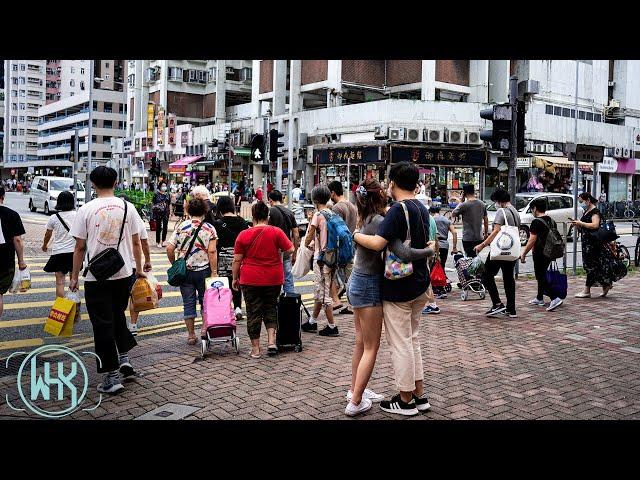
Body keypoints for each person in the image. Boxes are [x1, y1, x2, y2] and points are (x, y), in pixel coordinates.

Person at [346, 179, 433, 416]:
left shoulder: (365, 219)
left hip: (357, 281)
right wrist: (429, 250)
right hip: (369, 285)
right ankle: (355, 401)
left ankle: (356, 390)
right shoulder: (381, 221)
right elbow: (402, 251)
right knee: (371, 347)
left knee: (361, 342)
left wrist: (354, 234)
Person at [69, 166, 145, 394]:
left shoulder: (86, 209)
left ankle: (112, 377)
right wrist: (139, 269)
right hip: (123, 273)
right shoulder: (127, 207)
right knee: (117, 317)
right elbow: (137, 242)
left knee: (102, 324)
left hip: (96, 276)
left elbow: (80, 246)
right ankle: (124, 359)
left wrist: (74, 276)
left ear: (93, 183)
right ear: (117, 182)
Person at [232, 202, 294, 358]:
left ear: (253, 216)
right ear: (268, 216)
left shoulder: (243, 235)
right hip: (273, 277)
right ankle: (272, 342)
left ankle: (256, 349)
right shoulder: (276, 232)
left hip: (250, 278)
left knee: (253, 312)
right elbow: (291, 249)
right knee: (270, 308)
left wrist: (234, 278)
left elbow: (237, 260)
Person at [167, 198, 218, 345]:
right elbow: (212, 251)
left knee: (188, 303)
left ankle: (190, 335)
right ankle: (204, 329)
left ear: (188, 210)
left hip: (185, 272)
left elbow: (169, 248)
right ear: (204, 211)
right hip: (204, 271)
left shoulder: (181, 227)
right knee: (205, 302)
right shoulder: (209, 228)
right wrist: (214, 272)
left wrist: (175, 264)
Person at [474, 188, 521, 318]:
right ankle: (511, 309)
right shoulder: (515, 211)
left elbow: (495, 231)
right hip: (511, 250)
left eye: (495, 201)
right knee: (508, 278)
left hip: (500, 249)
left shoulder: (502, 211)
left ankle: (497, 304)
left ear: (499, 201)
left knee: (487, 275)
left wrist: (483, 245)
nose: (495, 204)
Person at [301, 185, 340, 336]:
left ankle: (332, 326)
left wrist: (307, 243)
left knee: (324, 294)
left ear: (315, 199)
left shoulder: (318, 215)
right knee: (320, 290)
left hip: (321, 259)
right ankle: (312, 322)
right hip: (332, 257)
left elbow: (308, 238)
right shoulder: (333, 213)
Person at [572, 192, 623, 298]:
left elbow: (595, 225)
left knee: (591, 265)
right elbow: (586, 227)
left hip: (593, 243)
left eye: (582, 201)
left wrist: (581, 223)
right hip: (587, 242)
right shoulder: (587, 211)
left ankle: (587, 290)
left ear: (588, 200)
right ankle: (606, 284)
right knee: (594, 265)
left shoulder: (595, 211)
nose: (581, 203)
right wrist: (578, 225)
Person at [519, 197, 564, 312]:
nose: (532, 211)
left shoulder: (536, 222)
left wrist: (523, 253)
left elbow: (531, 240)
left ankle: (554, 298)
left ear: (535, 209)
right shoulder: (551, 220)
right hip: (550, 252)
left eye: (531, 209)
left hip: (540, 253)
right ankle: (539, 298)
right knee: (542, 274)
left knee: (541, 276)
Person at [213, 195, 249, 320]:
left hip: (222, 258)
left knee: (225, 284)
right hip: (238, 258)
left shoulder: (217, 224)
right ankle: (238, 307)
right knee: (236, 282)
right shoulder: (243, 222)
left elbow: (215, 244)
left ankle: (226, 309)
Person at [328, 180, 357, 314]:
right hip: (351, 245)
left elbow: (335, 230)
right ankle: (350, 304)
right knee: (349, 276)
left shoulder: (337, 208)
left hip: (341, 247)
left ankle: (337, 300)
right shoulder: (352, 205)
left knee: (332, 275)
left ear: (333, 192)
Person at [41, 191, 77, 299]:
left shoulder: (54, 217)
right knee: (74, 280)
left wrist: (44, 245)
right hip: (74, 253)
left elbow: (48, 234)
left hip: (59, 252)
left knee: (60, 282)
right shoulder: (77, 215)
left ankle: (60, 308)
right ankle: (74, 306)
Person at [0, 187, 27, 319]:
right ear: (3, 197)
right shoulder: (12, 215)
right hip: (4, 260)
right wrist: (21, 261)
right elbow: (17, 239)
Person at [268, 189, 300, 294]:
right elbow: (296, 234)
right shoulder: (290, 213)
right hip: (287, 249)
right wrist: (294, 253)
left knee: (273, 278)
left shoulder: (271, 212)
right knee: (288, 278)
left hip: (273, 250)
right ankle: (289, 303)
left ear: (270, 200)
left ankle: (274, 303)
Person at [452, 184, 488, 258]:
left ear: (464, 193)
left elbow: (453, 213)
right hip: (479, 237)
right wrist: (486, 233)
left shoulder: (464, 205)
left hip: (468, 238)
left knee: (469, 260)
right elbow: (486, 219)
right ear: (473, 192)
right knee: (475, 258)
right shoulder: (482, 204)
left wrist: (460, 202)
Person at [430, 206, 458, 270]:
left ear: (431, 212)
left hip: (432, 245)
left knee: (432, 268)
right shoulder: (446, 220)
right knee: (442, 266)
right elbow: (454, 233)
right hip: (444, 245)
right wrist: (454, 248)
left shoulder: (431, 219)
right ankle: (442, 279)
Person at [152, 182, 171, 248]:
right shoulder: (156, 194)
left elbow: (169, 204)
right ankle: (158, 242)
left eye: (165, 185)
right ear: (159, 186)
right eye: (163, 186)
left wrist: (170, 213)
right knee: (158, 227)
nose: (164, 187)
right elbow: (153, 204)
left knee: (165, 227)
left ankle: (163, 241)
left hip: (166, 212)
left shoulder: (168, 194)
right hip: (158, 213)